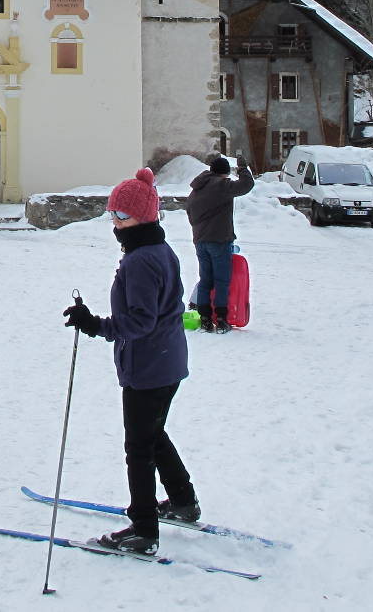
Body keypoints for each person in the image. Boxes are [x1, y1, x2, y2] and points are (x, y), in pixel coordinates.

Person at [61, 168, 199, 557]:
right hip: (166, 361)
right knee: (153, 435)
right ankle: (184, 501)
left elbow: (139, 321)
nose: (115, 223)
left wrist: (94, 325)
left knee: (139, 446)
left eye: (122, 216)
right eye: (113, 215)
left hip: (148, 366)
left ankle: (143, 529)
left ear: (144, 216)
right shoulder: (159, 250)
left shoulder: (141, 260)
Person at [185, 153, 254, 333]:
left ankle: (205, 318)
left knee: (205, 280)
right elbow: (246, 185)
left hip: (200, 241)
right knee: (222, 280)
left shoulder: (197, 189)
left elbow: (189, 212)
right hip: (219, 240)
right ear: (224, 173)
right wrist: (243, 169)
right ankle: (222, 318)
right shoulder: (221, 185)